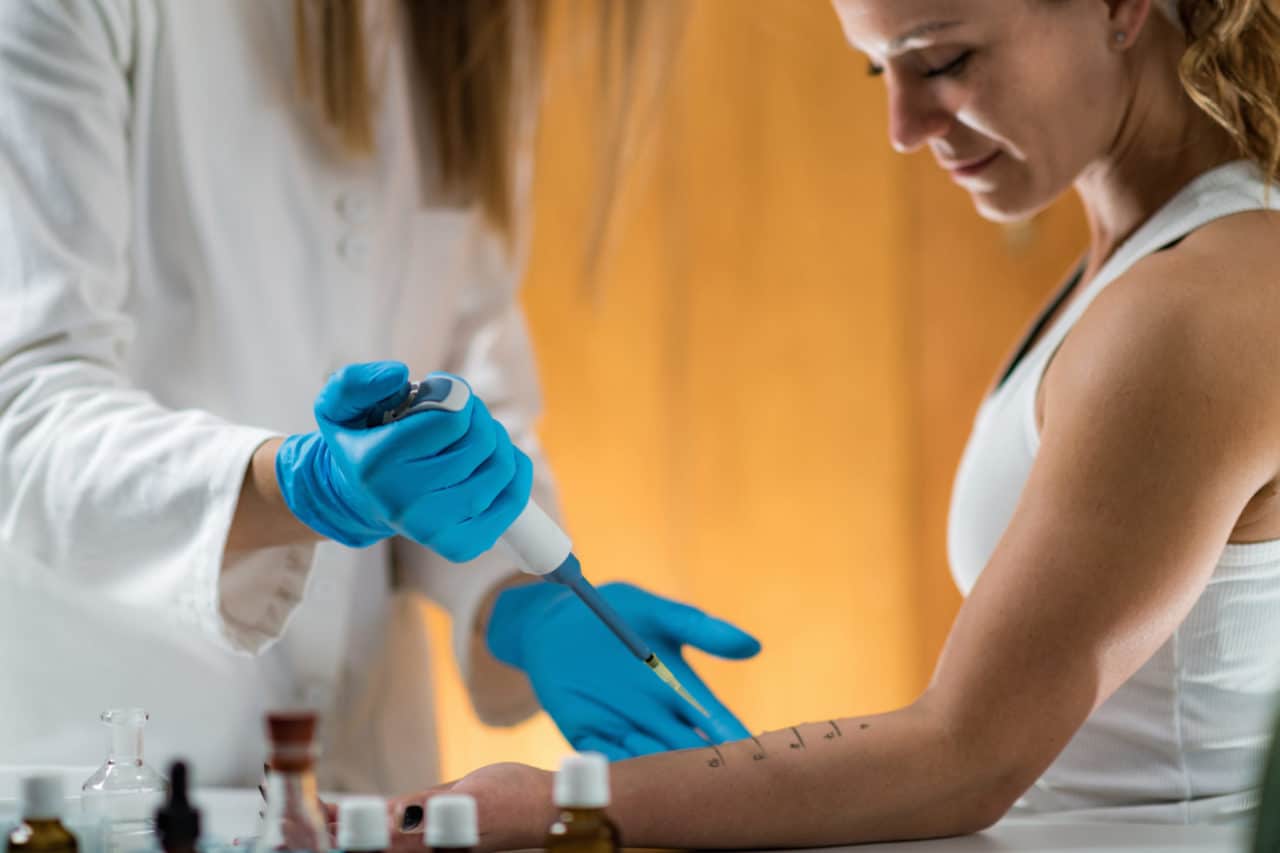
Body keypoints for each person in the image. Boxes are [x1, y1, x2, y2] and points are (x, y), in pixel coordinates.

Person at [388, 0, 1280, 845]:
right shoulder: (1138, 268)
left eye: (944, 60)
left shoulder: (1198, 302)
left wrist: (547, 803)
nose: (903, 127)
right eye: (878, 70)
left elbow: (967, 753)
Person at [0, 0, 758, 793]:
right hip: (111, 760)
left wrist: (520, 598)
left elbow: (462, 368)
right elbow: (23, 406)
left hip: (364, 770)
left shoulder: (473, 27)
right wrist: (299, 486)